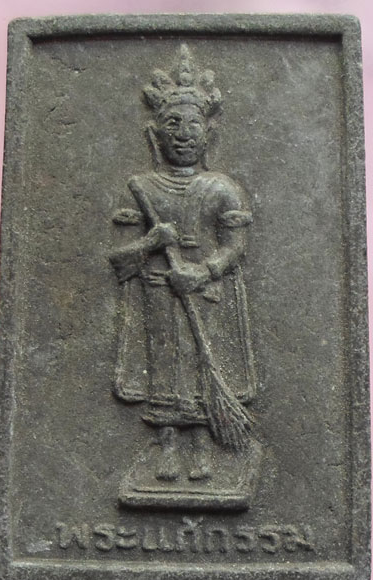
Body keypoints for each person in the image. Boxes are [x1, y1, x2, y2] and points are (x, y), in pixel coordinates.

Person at [110, 45, 256, 483]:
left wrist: (204, 271)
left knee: (201, 365)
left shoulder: (221, 188)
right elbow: (119, 259)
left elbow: (236, 246)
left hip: (206, 293)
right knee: (164, 367)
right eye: (173, 123)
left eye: (193, 124)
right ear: (156, 133)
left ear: (208, 134)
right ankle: (168, 445)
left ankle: (202, 447)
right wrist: (150, 242)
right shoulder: (141, 188)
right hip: (157, 292)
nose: (183, 134)